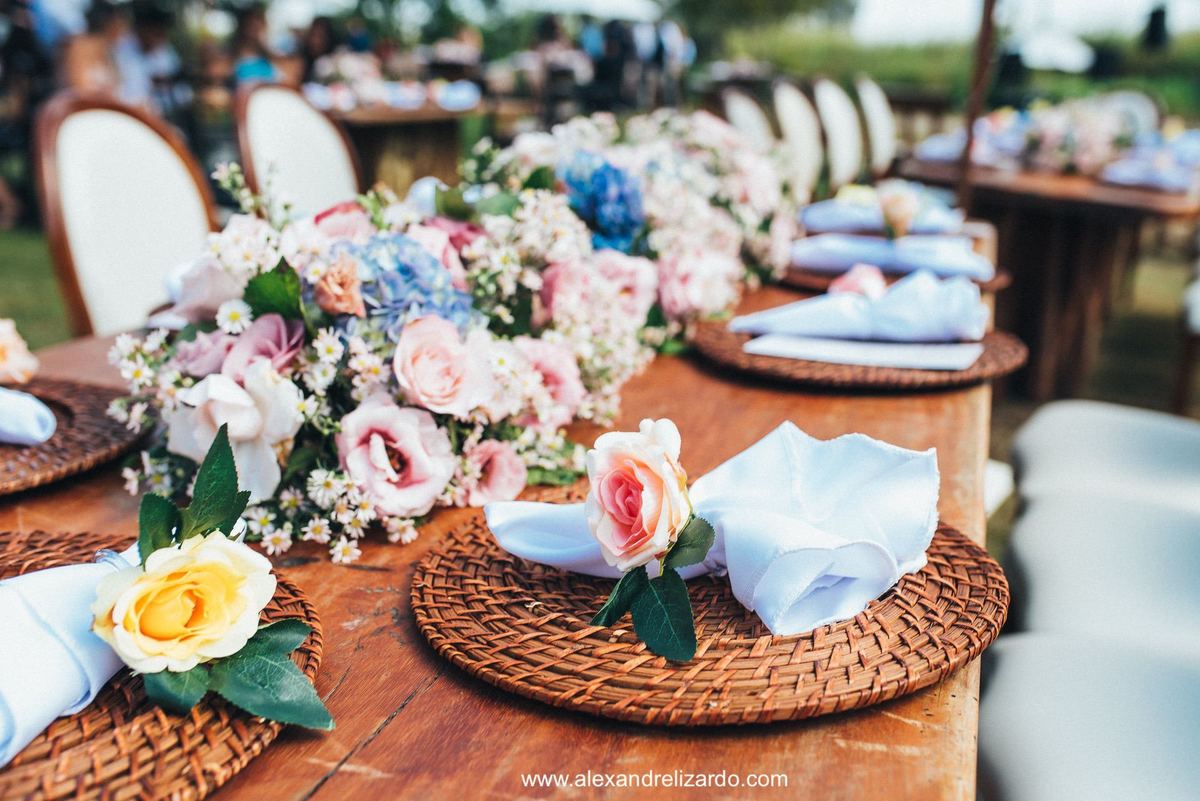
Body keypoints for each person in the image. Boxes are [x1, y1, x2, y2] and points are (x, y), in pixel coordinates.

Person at [112, 2, 179, 111]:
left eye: (162, 28)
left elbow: (182, 94)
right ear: (141, 26)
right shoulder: (120, 49)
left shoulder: (165, 51)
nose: (161, 34)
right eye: (155, 27)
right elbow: (119, 95)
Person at [61, 0, 125, 96]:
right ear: (110, 25)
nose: (122, 30)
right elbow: (80, 89)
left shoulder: (109, 50)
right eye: (119, 24)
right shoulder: (80, 47)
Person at [230, 4, 277, 85]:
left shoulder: (271, 56)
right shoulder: (233, 56)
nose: (255, 30)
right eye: (251, 25)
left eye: (259, 25)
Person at [299, 15, 336, 84]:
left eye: (320, 36)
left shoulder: (334, 61)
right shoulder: (301, 58)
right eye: (313, 35)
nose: (315, 41)